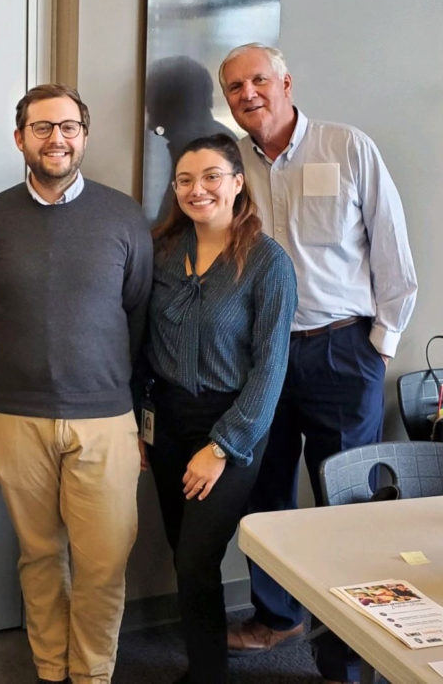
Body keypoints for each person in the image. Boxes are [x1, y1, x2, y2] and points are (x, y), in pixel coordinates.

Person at [218, 43, 418, 683]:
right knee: (266, 490)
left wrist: (378, 345)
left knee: (345, 503)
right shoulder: (229, 166)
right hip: (263, 356)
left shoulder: (346, 146)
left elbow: (392, 249)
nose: (247, 94)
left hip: (341, 349)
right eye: (233, 86)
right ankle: (276, 617)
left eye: (258, 80)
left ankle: (346, 656)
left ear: (285, 82)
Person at [0, 83, 153, 684]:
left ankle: (92, 675)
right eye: (43, 128)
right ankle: (52, 671)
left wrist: (141, 418)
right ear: (20, 138)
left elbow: (139, 315)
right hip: (15, 415)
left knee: (103, 564)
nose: (57, 139)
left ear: (84, 136)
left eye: (69, 127)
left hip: (105, 417)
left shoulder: (124, 215)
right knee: (40, 557)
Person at [143, 134, 296, 684]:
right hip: (166, 422)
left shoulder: (267, 263)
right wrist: (141, 422)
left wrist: (222, 446)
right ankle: (203, 661)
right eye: (185, 179)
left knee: (196, 558)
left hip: (232, 427)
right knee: (182, 550)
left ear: (237, 182)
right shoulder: (161, 251)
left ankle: (207, 674)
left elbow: (270, 368)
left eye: (211, 176)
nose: (197, 189)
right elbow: (141, 342)